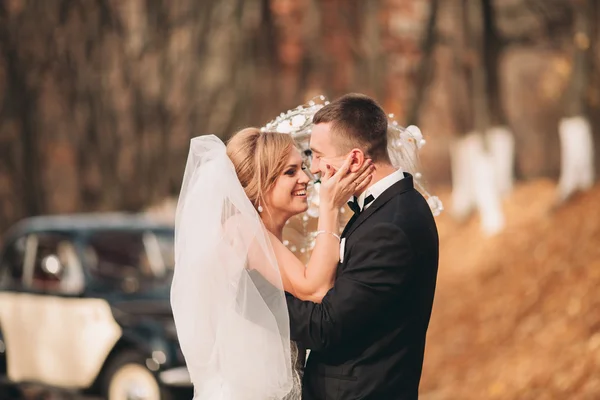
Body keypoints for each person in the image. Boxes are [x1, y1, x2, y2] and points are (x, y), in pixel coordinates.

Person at [171, 126, 373, 399]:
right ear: (259, 185)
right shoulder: (239, 229)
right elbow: (315, 290)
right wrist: (330, 207)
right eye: (290, 172)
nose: (305, 177)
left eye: (302, 167)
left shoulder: (263, 239)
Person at [286, 93, 440, 399]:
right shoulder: (387, 209)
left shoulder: (390, 227)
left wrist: (260, 296)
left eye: (317, 155)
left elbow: (324, 326)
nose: (313, 168)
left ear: (354, 159)